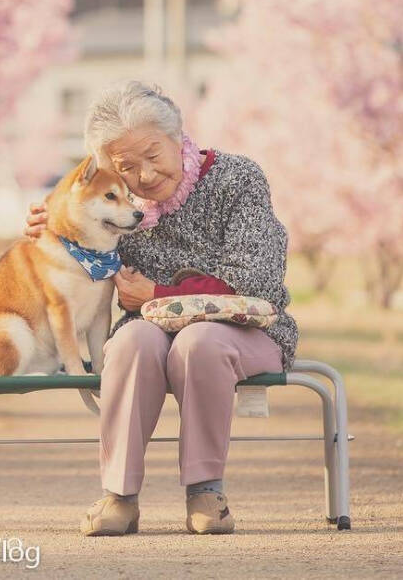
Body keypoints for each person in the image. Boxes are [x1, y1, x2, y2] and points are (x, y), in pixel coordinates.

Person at [23, 78, 298, 536]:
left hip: (245, 329)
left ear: (177, 137)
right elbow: (74, 262)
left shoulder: (238, 178)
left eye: (153, 156)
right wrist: (52, 227)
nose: (144, 176)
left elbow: (256, 281)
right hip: (149, 330)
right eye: (126, 166)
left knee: (200, 341)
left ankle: (206, 491)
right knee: (131, 340)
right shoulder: (121, 208)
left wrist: (159, 296)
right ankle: (119, 495)